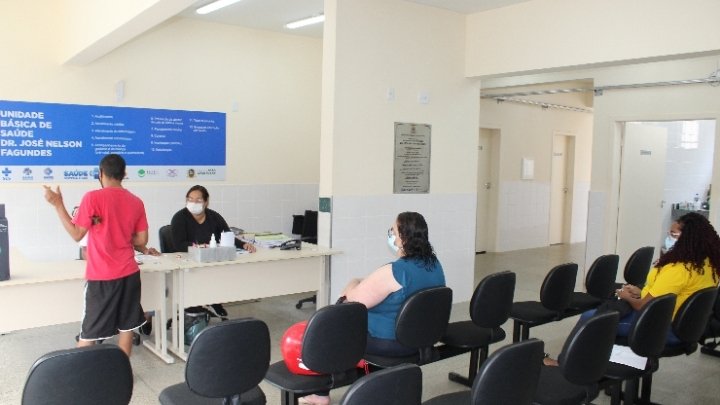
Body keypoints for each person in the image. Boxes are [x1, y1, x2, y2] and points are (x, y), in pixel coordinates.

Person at [299, 211, 445, 405]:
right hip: (422, 337)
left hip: (390, 341)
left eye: (393, 231)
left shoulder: (396, 271)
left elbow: (351, 301)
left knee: (331, 329)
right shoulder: (434, 265)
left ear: (403, 239)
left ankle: (320, 394)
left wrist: (353, 283)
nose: (390, 235)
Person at [545, 212, 720, 366]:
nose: (669, 237)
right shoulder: (709, 265)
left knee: (590, 318)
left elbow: (644, 306)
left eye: (674, 234)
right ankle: (597, 363)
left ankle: (565, 364)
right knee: (602, 317)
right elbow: (673, 294)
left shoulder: (678, 269)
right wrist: (641, 292)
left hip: (662, 328)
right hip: (686, 328)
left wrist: (626, 296)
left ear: (688, 239)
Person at [43, 154, 150, 356]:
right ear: (124, 174)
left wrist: (58, 204)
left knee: (89, 333)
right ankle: (122, 370)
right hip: (129, 273)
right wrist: (121, 236)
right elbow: (142, 239)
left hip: (102, 277)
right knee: (127, 328)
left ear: (101, 173)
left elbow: (77, 234)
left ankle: (79, 373)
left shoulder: (92, 198)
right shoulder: (136, 201)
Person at [170, 185, 256, 317]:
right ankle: (196, 303)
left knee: (222, 273)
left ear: (206, 202)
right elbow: (178, 244)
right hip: (188, 261)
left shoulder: (214, 217)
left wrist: (243, 245)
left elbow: (227, 236)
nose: (193, 203)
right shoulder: (179, 217)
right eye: (190, 199)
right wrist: (200, 247)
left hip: (210, 259)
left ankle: (214, 300)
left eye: (198, 200)